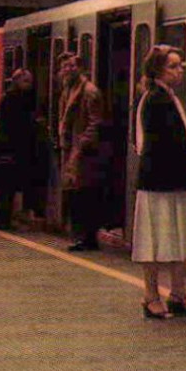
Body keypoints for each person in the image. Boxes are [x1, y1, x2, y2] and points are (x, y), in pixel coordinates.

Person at [133, 46, 186, 319]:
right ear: (157, 71)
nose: (180, 70)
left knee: (174, 237)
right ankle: (151, 296)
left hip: (168, 180)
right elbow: (161, 143)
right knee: (155, 240)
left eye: (180, 65)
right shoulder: (156, 99)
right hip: (159, 183)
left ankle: (177, 294)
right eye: (173, 66)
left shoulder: (164, 97)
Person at [56, 52, 108, 251]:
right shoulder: (68, 90)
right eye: (64, 67)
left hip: (85, 153)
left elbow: (95, 123)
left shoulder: (89, 91)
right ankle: (80, 236)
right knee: (76, 194)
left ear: (81, 68)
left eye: (71, 66)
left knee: (84, 195)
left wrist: (81, 145)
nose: (67, 70)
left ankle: (87, 238)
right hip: (72, 150)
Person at [0, 69, 37, 231]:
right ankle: (2, 221)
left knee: (8, 188)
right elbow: (10, 126)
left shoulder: (13, 98)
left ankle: (4, 220)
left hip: (9, 149)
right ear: (16, 81)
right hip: (9, 150)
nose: (29, 84)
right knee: (7, 188)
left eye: (30, 81)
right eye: (26, 81)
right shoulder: (12, 99)